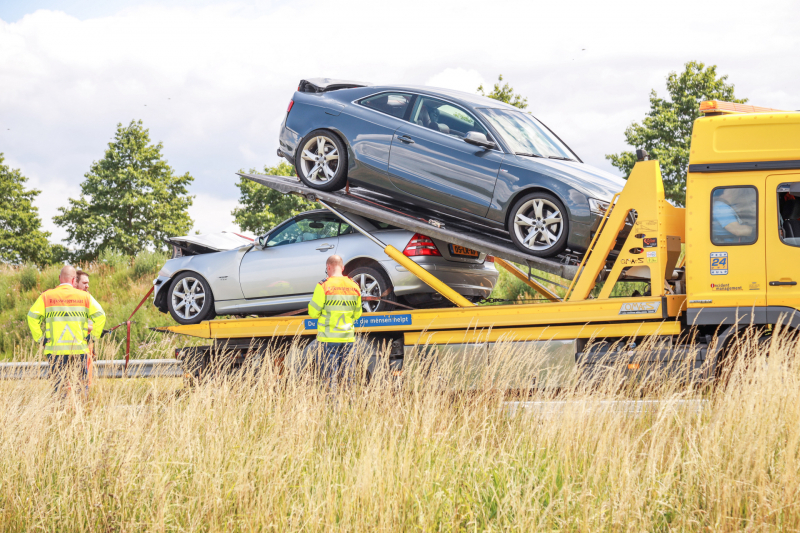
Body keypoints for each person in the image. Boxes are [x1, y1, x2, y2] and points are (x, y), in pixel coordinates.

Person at [26, 265, 106, 398]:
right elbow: (100, 315)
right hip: (78, 350)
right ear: (74, 280)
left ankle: (59, 415)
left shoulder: (47, 296)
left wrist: (40, 338)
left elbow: (32, 317)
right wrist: (93, 337)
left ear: (59, 278)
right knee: (80, 388)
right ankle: (80, 413)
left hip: (56, 352)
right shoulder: (84, 297)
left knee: (59, 389)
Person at [307, 255, 363, 394]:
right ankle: (350, 408)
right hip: (348, 339)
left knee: (329, 378)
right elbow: (357, 314)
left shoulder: (323, 286)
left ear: (328, 267)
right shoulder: (354, 285)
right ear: (343, 267)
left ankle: (331, 409)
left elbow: (313, 313)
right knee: (349, 379)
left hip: (328, 339)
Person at [74, 269, 107, 387]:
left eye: (88, 283)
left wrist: (93, 336)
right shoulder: (70, 300)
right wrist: (92, 332)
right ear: (74, 282)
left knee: (86, 381)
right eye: (84, 283)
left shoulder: (87, 298)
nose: (87, 286)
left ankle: (83, 401)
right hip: (76, 345)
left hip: (87, 344)